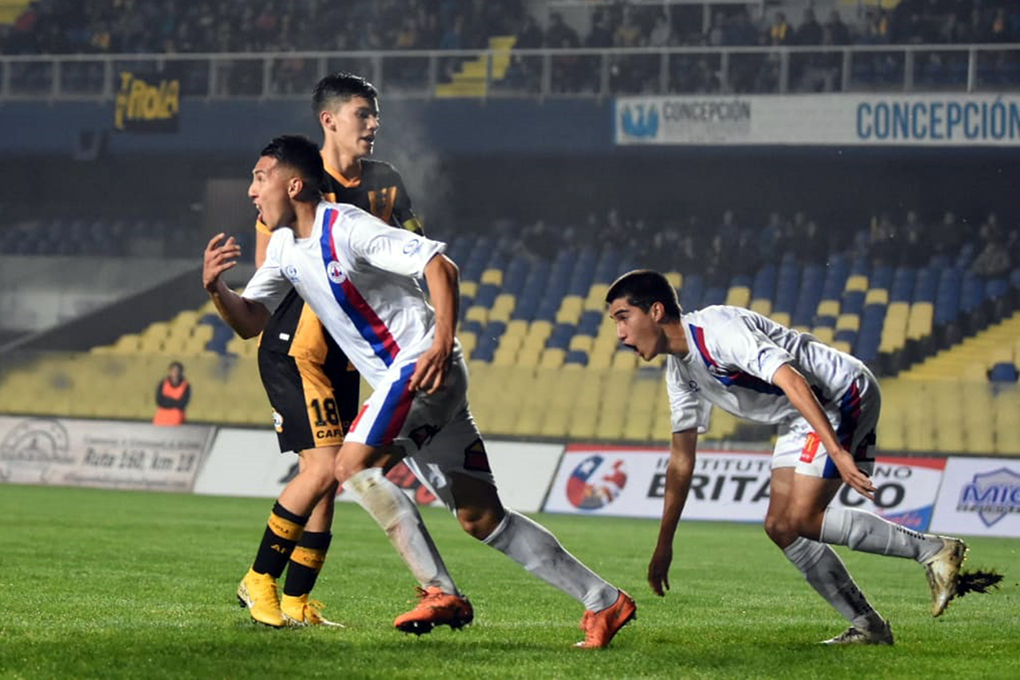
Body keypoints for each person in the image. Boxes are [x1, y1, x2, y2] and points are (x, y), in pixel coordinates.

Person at [202, 134, 636, 648]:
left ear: (293, 184)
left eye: (259, 177)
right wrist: (217, 290)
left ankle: (439, 591)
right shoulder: (283, 248)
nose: (252, 191)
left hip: (422, 364)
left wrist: (440, 345)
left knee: (350, 465)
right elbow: (251, 321)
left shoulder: (348, 227)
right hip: (414, 381)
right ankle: (604, 601)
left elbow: (440, 266)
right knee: (481, 518)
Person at [604, 269, 968, 645]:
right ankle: (869, 627)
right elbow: (681, 462)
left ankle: (934, 549)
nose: (620, 334)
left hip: (838, 394)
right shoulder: (679, 371)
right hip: (798, 417)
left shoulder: (719, 330)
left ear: (656, 311)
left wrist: (837, 451)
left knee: (803, 517)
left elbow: (791, 379)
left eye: (623, 318)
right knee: (782, 526)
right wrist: (664, 544)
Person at [235, 71, 426, 629]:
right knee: (321, 470)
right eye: (363, 114)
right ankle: (259, 584)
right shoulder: (293, 185)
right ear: (330, 120)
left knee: (329, 480)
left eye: (375, 115)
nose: (373, 125)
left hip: (350, 352)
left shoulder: (386, 182)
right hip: (301, 347)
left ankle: (295, 600)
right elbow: (271, 276)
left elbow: (412, 247)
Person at [153, 361, 190, 426]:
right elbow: (159, 400)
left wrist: (168, 400)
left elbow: (182, 403)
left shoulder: (185, 385)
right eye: (173, 370)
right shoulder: (163, 383)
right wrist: (174, 401)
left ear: (181, 372)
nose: (175, 373)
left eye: (177, 371)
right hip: (161, 418)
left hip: (177, 418)